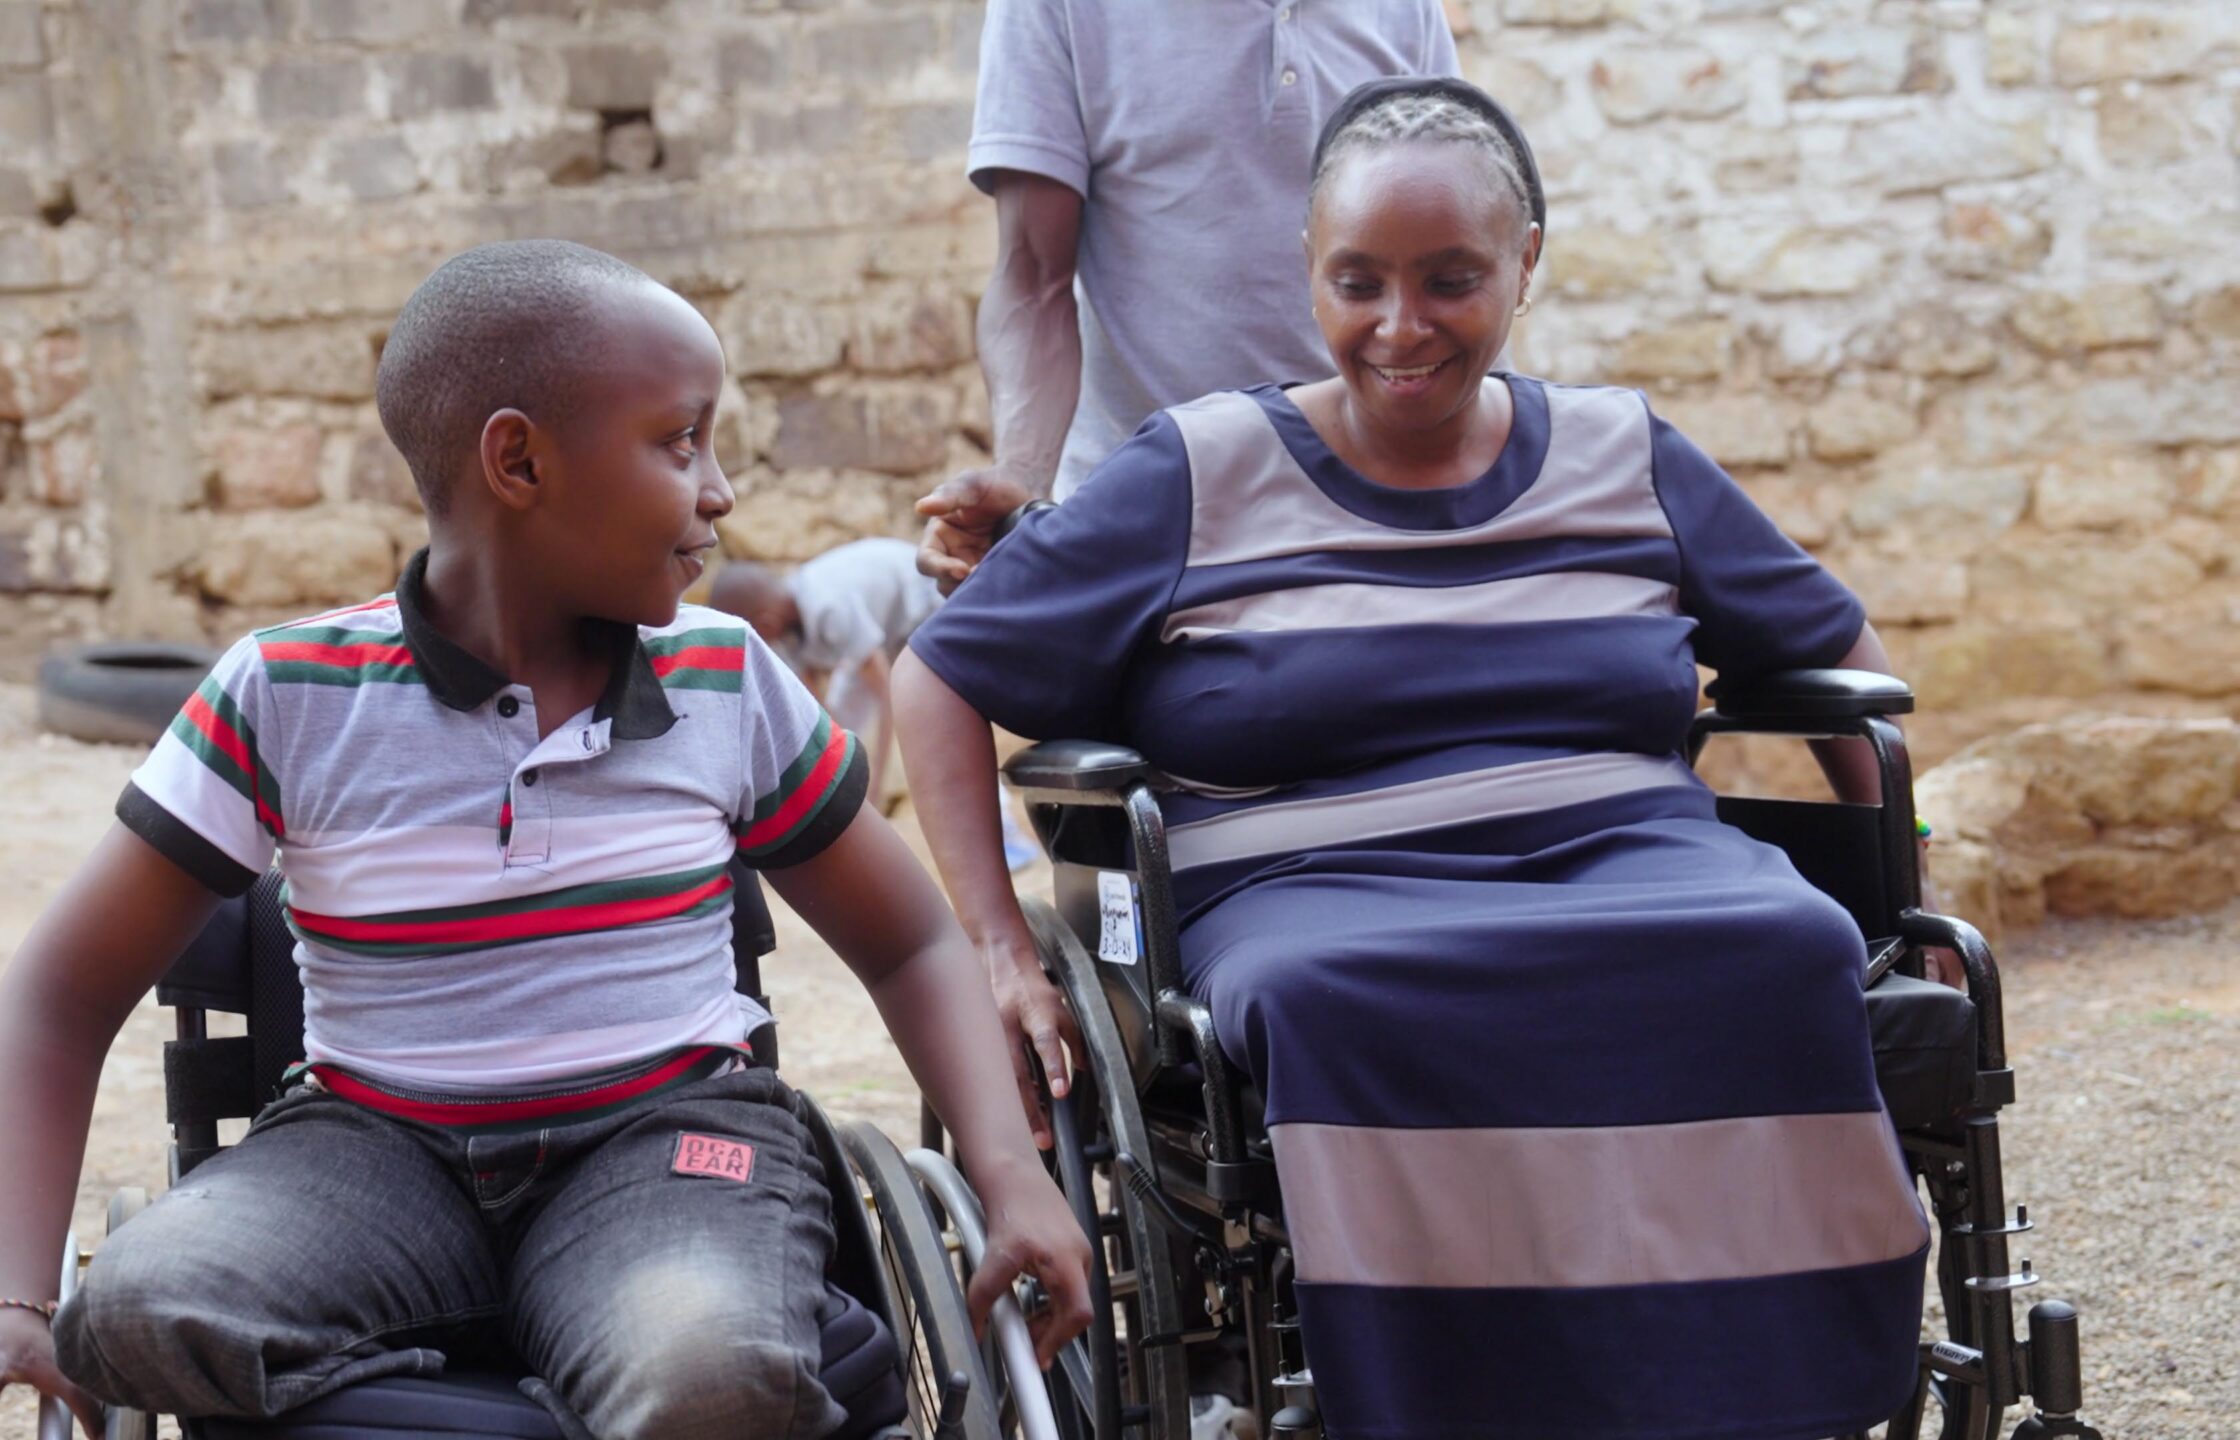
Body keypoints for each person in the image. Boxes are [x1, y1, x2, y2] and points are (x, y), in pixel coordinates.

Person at [892, 80, 1932, 1438]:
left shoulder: (1626, 452)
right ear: (1308, 277)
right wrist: (996, 945)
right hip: (1312, 881)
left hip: (1635, 849)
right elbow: (940, 675)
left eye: (1452, 280)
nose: (1401, 324)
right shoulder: (1199, 471)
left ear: (1525, 267)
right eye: (1358, 281)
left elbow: (1832, 651)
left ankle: (1767, 1389)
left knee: (1788, 943)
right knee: (1338, 995)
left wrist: (1905, 904)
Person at [0, 241, 1091, 1440]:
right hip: (377, 1152)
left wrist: (1009, 1181)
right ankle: (566, 1342)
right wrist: (8, 1298)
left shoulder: (724, 680)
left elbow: (910, 949)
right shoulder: (287, 692)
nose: (721, 489)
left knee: (705, 1371)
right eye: (682, 441)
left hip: (662, 1144)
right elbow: (60, 999)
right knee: (128, 1314)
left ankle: (596, 1338)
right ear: (519, 460)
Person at [917, 0, 1463, 588]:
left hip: (1374, 515)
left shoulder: (1407, 10)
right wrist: (1024, 479)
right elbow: (1032, 274)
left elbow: (1451, 252)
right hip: (1151, 529)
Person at [709, 538, 942, 812]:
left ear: (765, 624)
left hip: (926, 601)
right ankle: (852, 802)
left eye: (754, 638)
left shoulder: (829, 609)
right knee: (843, 722)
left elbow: (887, 698)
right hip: (881, 637)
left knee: (919, 711)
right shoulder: (785, 630)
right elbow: (818, 715)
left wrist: (877, 787)